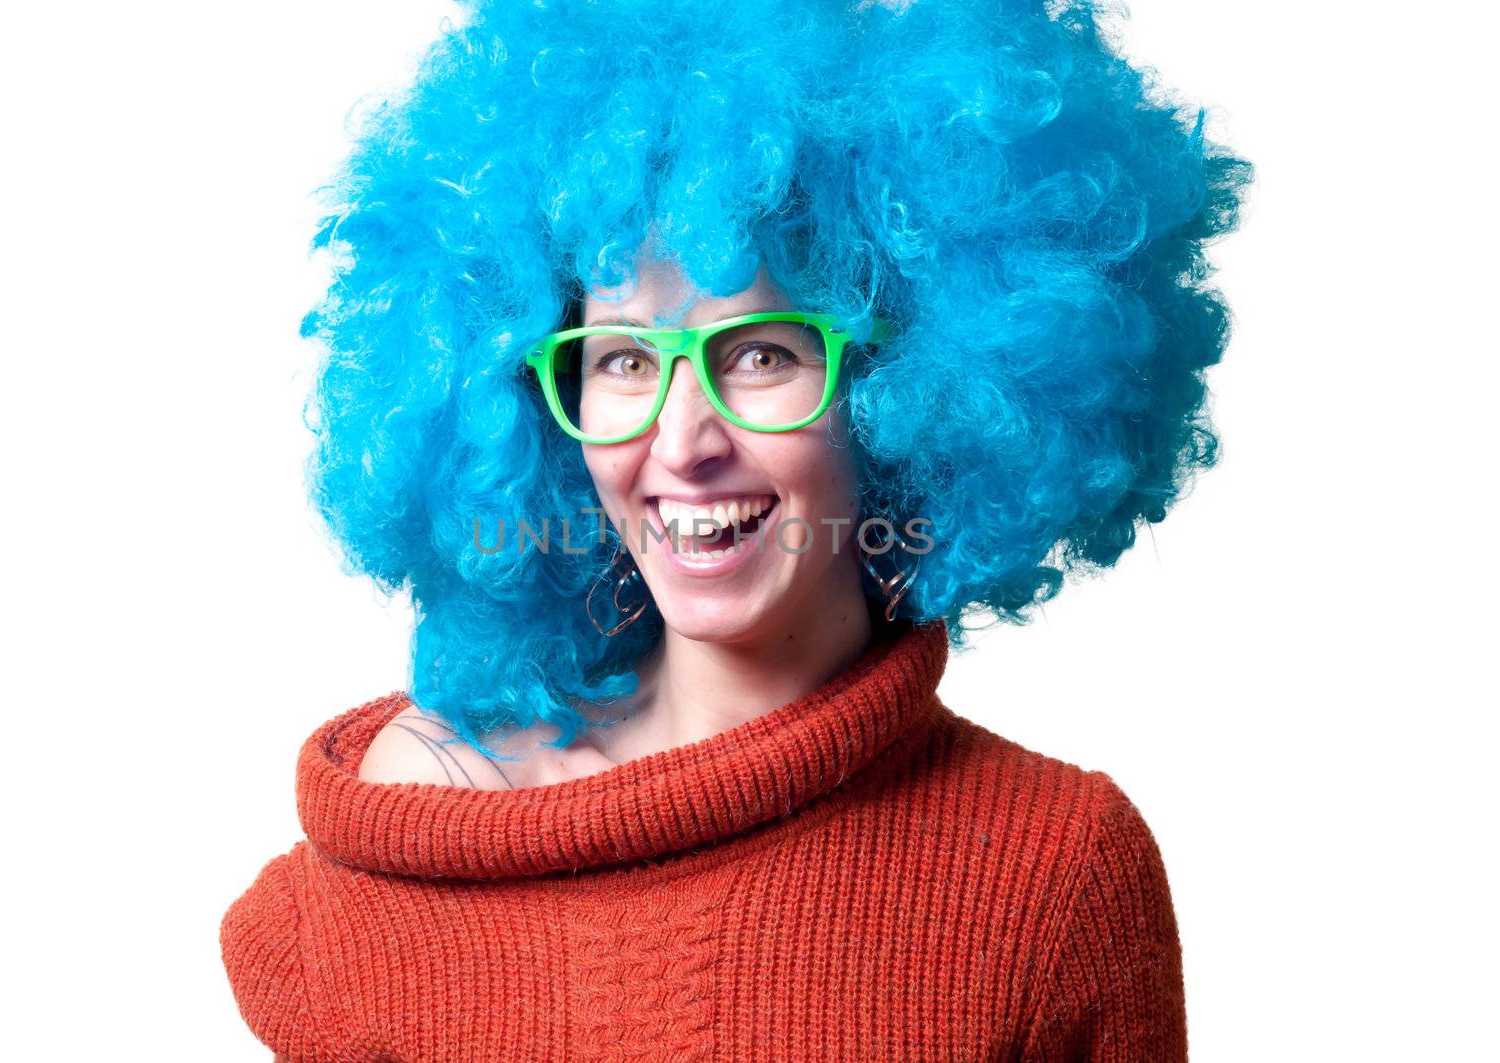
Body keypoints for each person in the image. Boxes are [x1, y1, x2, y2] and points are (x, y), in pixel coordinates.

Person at [220, 0, 1250, 1059]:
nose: (682, 440)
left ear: (900, 394)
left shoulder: (1050, 877)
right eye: (621, 359)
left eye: (760, 354)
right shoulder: (435, 812)